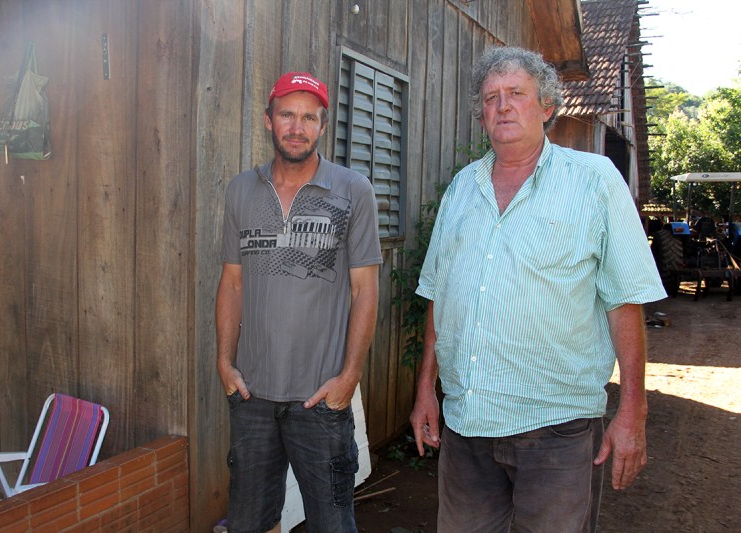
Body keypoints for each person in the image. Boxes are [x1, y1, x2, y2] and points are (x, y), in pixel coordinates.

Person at [409, 47, 667, 532]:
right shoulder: (462, 189)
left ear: (547, 107)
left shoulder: (593, 181)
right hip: (468, 425)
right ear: (481, 115)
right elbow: (440, 296)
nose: (502, 106)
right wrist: (427, 387)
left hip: (558, 431)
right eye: (491, 98)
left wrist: (633, 409)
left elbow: (624, 299)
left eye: (516, 94)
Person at [216, 72, 382, 533]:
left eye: (309, 117)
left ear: (322, 127)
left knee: (333, 524)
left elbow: (365, 289)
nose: (297, 126)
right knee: (248, 524)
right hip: (252, 397)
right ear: (269, 121)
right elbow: (231, 283)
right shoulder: (240, 191)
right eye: (287, 114)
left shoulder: (353, 191)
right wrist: (224, 364)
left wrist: (349, 377)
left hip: (320, 399)